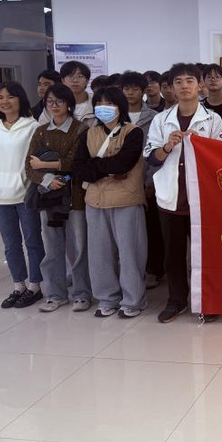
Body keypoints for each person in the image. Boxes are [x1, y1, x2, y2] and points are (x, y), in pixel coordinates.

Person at [144, 63, 222, 323]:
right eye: (178, 82)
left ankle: (207, 301)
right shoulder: (160, 120)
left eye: (189, 80)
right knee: (174, 255)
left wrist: (201, 146)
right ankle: (176, 301)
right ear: (171, 87)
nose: (184, 86)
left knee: (205, 254)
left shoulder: (213, 119)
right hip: (170, 198)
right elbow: (151, 158)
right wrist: (167, 146)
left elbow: (221, 159)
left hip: (202, 199)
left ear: (199, 85)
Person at [73, 86, 147, 318]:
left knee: (130, 254)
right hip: (95, 201)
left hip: (126, 200)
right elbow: (79, 168)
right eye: (99, 103)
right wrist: (106, 169)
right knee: (99, 255)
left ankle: (133, 300)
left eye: (109, 103)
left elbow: (123, 164)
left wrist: (95, 166)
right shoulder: (88, 133)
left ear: (119, 106)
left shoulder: (133, 132)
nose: (103, 107)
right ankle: (107, 299)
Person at [0, 81, 44, 309]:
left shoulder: (33, 127)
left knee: (33, 241)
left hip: (26, 196)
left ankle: (35, 285)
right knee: (10, 244)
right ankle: (19, 285)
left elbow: (37, 163)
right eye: (0, 97)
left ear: (20, 99)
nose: (5, 101)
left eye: (10, 96)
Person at [26, 83, 91, 313]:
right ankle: (55, 294)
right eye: (49, 101)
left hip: (75, 198)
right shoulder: (40, 131)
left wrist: (47, 165)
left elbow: (76, 162)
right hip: (49, 199)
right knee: (52, 248)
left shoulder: (81, 129)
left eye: (59, 101)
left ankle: (82, 294)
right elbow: (29, 166)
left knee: (78, 248)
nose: (54, 105)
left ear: (69, 104)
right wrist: (47, 180)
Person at [122, 70, 163, 288]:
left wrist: (150, 182)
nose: (130, 93)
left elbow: (157, 152)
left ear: (143, 91)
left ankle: (154, 270)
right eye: (126, 88)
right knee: (127, 233)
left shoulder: (155, 118)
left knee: (151, 229)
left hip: (146, 180)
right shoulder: (116, 117)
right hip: (121, 183)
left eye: (135, 89)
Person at [56, 61, 95, 127]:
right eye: (70, 76)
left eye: (80, 76)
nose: (75, 80)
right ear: (63, 80)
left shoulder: (97, 103)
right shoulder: (53, 105)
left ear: (87, 81)